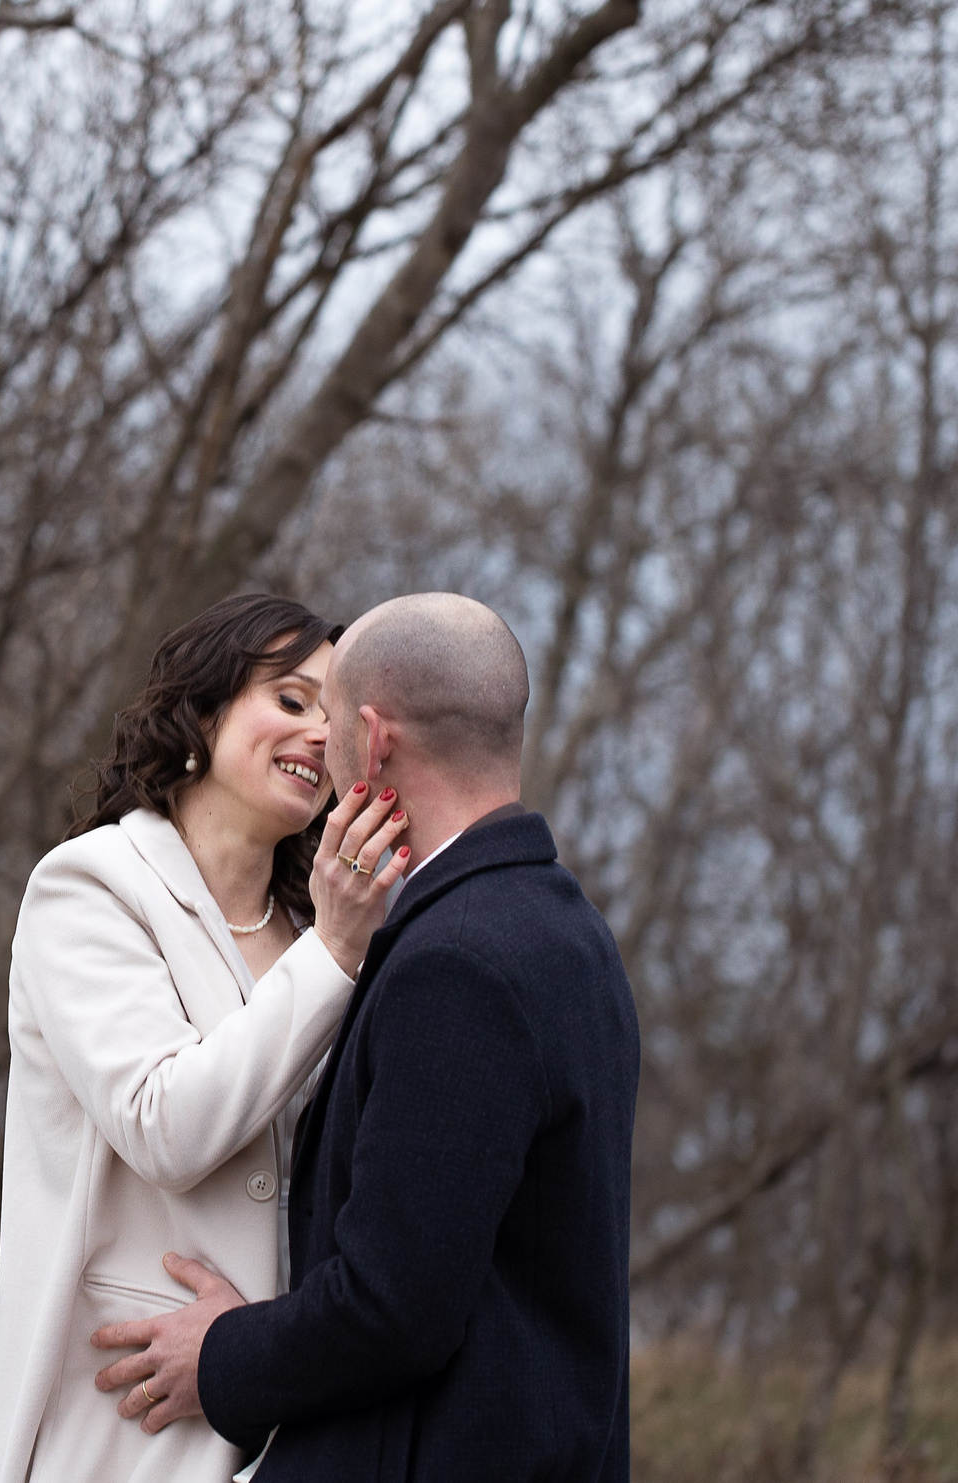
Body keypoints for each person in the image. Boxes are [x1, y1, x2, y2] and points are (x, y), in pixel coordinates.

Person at [89, 593, 641, 1483]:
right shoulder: (571, 933)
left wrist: (225, 1355)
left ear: (375, 740)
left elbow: (395, 1307)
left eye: (333, 715)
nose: (321, 742)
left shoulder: (456, 961)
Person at [0, 594, 413, 1483]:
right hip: (127, 1424)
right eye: (292, 700)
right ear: (205, 707)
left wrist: (268, 1351)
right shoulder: (90, 887)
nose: (316, 735)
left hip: (291, 1423)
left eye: (334, 720)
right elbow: (163, 1124)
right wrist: (338, 950)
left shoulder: (318, 927)